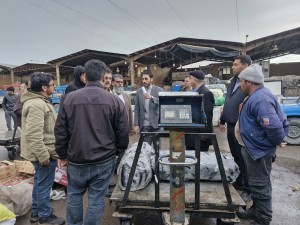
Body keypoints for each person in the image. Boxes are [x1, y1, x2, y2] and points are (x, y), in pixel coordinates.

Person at [55, 59, 129, 225]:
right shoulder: (115, 101)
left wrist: (62, 154)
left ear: (85, 76)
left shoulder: (68, 99)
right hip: (104, 159)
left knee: (74, 196)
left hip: (77, 159)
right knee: (96, 199)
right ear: (103, 77)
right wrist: (118, 152)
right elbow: (123, 132)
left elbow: (60, 131)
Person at [236, 64, 289, 225]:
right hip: (253, 149)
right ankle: (256, 211)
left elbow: (273, 126)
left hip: (259, 151)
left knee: (260, 185)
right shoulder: (256, 96)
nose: (240, 85)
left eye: (241, 81)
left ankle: (263, 219)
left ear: (249, 82)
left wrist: (276, 140)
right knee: (254, 183)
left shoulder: (261, 98)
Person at [20, 72, 65, 225]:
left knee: (39, 184)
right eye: (53, 85)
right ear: (44, 87)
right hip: (43, 154)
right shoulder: (37, 104)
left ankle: (36, 213)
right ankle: (45, 216)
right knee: (44, 186)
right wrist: (43, 156)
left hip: (43, 152)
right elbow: (33, 134)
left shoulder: (39, 101)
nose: (55, 87)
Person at [219, 55, 251, 196]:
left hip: (241, 126)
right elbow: (228, 101)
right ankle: (240, 180)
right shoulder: (233, 82)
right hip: (231, 123)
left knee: (244, 157)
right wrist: (222, 119)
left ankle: (247, 186)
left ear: (245, 66)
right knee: (235, 154)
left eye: (235, 64)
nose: (232, 67)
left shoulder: (249, 83)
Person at [187, 70, 215, 151]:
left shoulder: (206, 93)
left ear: (195, 80)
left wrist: (203, 134)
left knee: (200, 159)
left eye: (190, 78)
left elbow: (207, 115)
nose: (189, 80)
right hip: (191, 134)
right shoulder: (193, 92)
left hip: (200, 136)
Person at [133, 70, 163, 144]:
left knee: (158, 149)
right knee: (145, 148)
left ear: (151, 79)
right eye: (143, 79)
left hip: (156, 125)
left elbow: (162, 104)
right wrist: (136, 124)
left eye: (146, 79)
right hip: (145, 125)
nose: (144, 81)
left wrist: (151, 98)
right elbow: (137, 109)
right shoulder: (139, 92)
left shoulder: (159, 90)